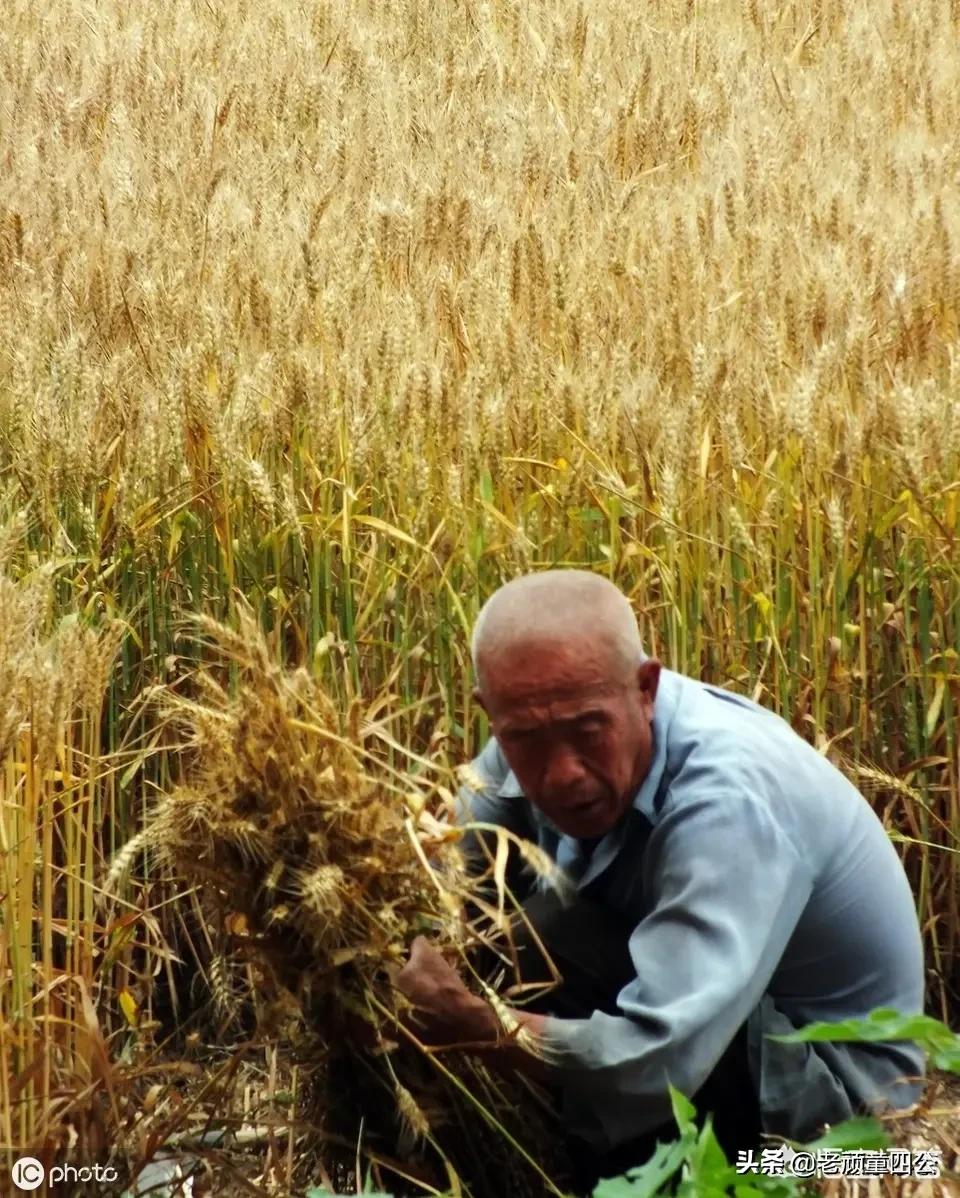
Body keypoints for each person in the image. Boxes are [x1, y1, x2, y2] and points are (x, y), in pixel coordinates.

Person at [394, 569, 925, 1189]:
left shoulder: (729, 799)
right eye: (524, 739)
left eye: (588, 732)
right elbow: (449, 887)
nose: (562, 774)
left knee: (549, 934)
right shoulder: (543, 720)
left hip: (842, 1136)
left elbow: (661, 1054)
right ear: (494, 717)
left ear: (646, 688)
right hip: (728, 1049)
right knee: (505, 940)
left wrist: (486, 1029)